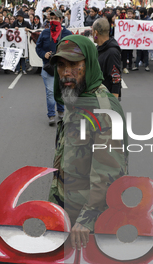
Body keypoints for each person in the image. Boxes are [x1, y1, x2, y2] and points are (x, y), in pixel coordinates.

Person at [47, 35, 128, 249]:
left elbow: (108, 174)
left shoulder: (102, 109)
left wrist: (87, 219)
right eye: (61, 65)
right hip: (67, 210)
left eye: (74, 64)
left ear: (89, 64)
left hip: (88, 226)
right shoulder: (78, 99)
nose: (66, 72)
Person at [35, 9, 72, 126]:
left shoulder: (68, 34)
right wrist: (43, 54)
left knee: (61, 91)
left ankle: (61, 112)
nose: (53, 21)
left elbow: (73, 49)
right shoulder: (45, 33)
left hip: (63, 69)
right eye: (51, 19)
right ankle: (51, 115)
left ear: (61, 20)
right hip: (48, 68)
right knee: (50, 93)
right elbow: (38, 48)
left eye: (55, 19)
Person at [92, 17, 122, 98]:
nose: (91, 34)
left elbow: (116, 79)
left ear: (96, 33)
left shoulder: (112, 52)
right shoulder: (98, 48)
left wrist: (113, 103)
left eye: (92, 31)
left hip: (106, 98)